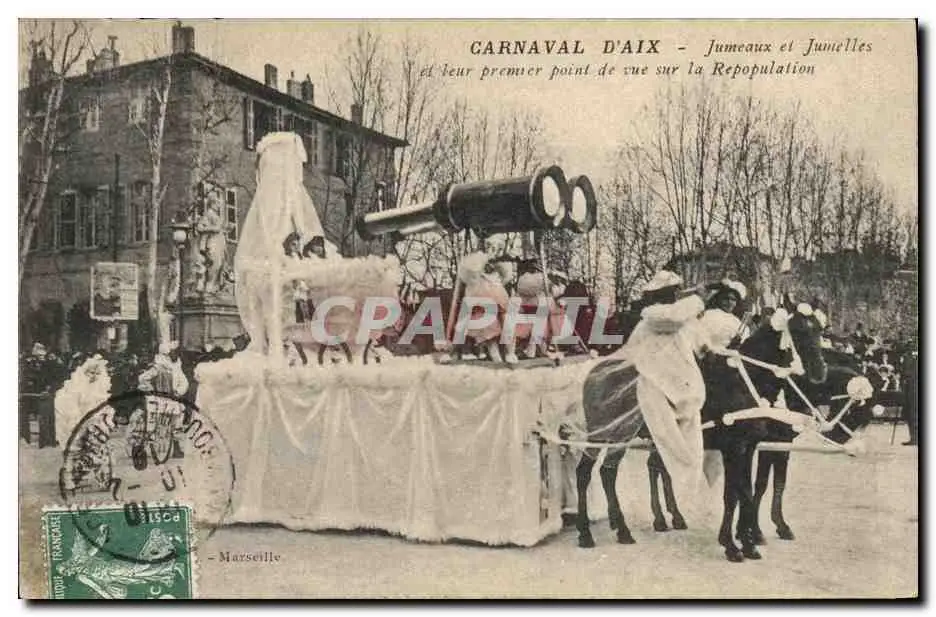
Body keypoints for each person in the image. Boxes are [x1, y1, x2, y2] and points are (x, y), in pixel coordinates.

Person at [625, 270, 710, 503]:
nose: (676, 295)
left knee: (693, 448)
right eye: (673, 291)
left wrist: (710, 349)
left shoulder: (682, 321)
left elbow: (701, 344)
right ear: (660, 294)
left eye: (677, 291)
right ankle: (681, 492)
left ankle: (691, 494)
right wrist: (698, 298)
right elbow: (675, 316)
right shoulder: (653, 316)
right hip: (656, 388)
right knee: (673, 445)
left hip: (684, 391)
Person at [901, 341, 918, 446]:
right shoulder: (908, 357)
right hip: (911, 387)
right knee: (911, 413)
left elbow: (906, 372)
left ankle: (915, 438)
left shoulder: (908, 357)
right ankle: (914, 437)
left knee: (913, 413)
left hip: (913, 388)